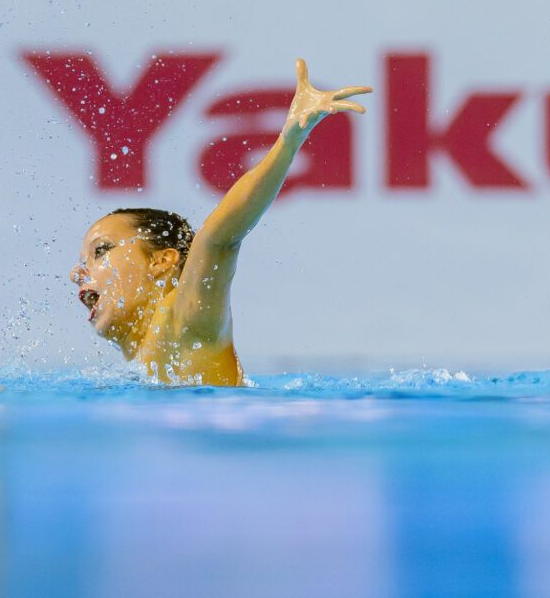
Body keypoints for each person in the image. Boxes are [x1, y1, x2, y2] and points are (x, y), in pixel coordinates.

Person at [70, 60, 370, 386]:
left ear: (161, 261)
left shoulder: (182, 320)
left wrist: (289, 140)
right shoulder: (146, 358)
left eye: (100, 251)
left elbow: (218, 239)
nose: (77, 273)